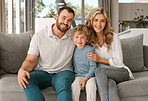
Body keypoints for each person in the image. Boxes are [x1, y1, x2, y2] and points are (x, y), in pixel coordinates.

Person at [17, 6, 75, 101]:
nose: (65, 22)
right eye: (63, 18)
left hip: (64, 72)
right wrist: (22, 69)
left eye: (69, 20)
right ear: (57, 16)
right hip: (43, 72)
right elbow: (31, 60)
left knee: (64, 86)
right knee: (26, 79)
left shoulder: (75, 37)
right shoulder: (39, 36)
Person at [86, 7, 134, 101]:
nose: (98, 24)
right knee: (110, 84)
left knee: (99, 71)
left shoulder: (114, 37)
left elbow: (119, 62)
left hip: (120, 72)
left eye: (102, 21)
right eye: (96, 20)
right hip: (105, 77)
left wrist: (99, 59)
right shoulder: (89, 40)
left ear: (106, 23)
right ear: (91, 21)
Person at [71, 24, 97, 101]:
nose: (79, 40)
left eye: (82, 37)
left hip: (91, 76)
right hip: (78, 76)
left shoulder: (89, 50)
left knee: (91, 85)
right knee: (74, 85)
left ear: (87, 39)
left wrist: (86, 79)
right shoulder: (74, 49)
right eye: (76, 37)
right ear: (73, 38)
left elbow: (93, 67)